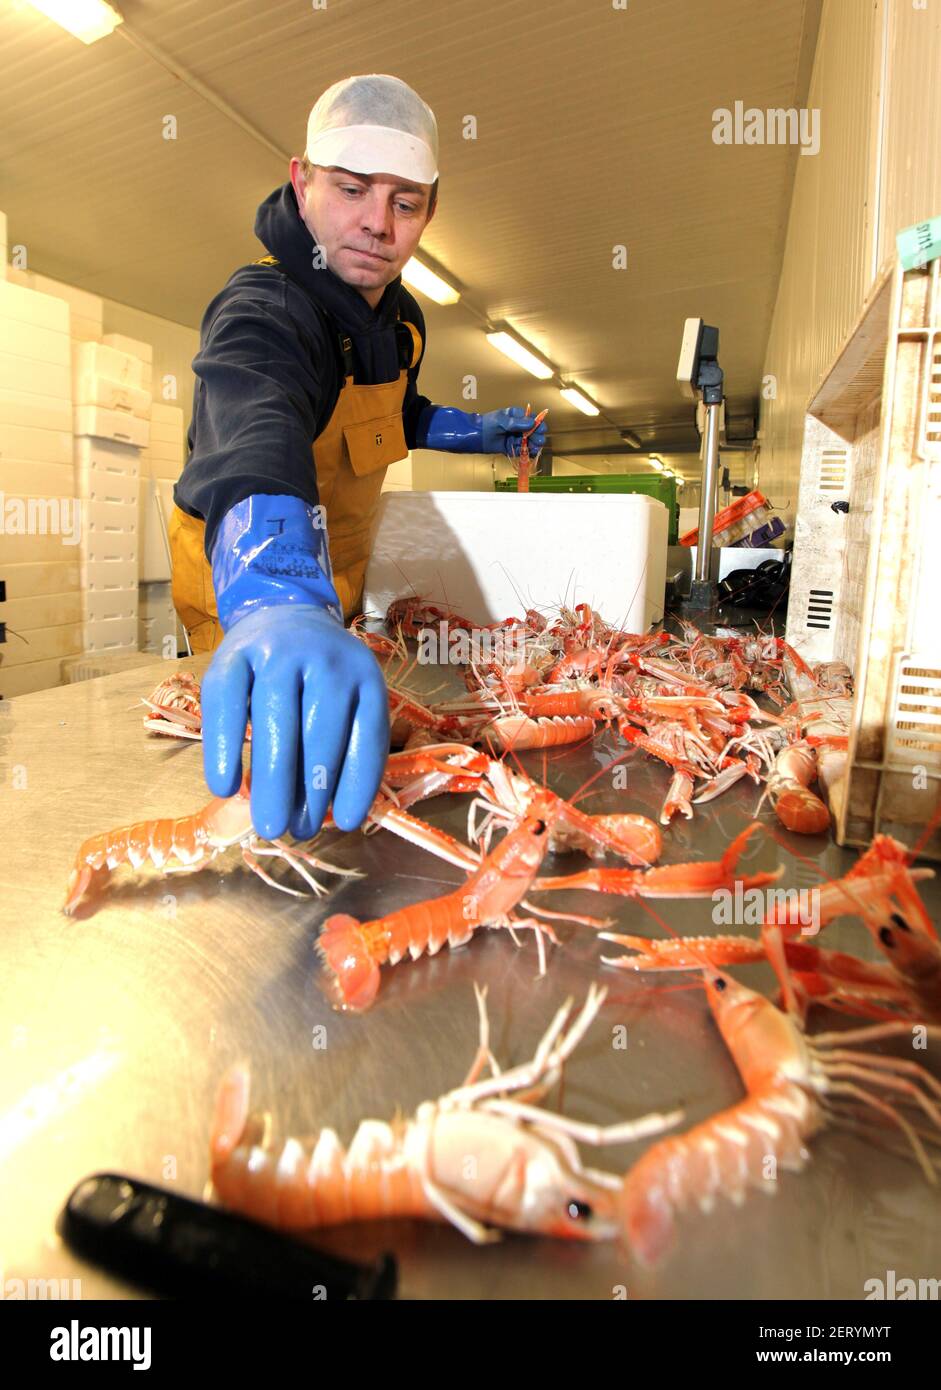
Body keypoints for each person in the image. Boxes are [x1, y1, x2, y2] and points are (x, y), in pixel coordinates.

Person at [169, 74, 547, 846]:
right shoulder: (264, 310)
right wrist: (276, 592)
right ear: (300, 182)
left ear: (429, 211)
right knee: (259, 787)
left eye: (404, 203)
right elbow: (258, 421)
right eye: (350, 191)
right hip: (249, 593)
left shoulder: (398, 321)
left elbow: (389, 414)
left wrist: (471, 432)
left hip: (334, 584)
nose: (377, 225)